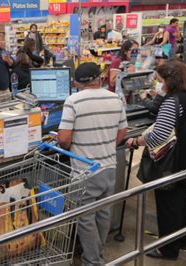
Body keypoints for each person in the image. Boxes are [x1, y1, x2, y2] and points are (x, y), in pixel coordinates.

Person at [126, 60, 186, 260]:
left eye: (159, 80)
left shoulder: (172, 101)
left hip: (174, 162)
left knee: (167, 204)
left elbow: (159, 135)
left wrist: (136, 140)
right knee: (180, 201)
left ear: (170, 80)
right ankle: (180, 240)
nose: (158, 85)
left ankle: (167, 249)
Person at [58, 62, 127, 265]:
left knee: (85, 218)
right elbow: (123, 131)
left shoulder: (73, 101)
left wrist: (73, 144)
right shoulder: (115, 99)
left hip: (85, 171)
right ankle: (99, 254)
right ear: (100, 78)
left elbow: (63, 139)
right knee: (103, 214)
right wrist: (105, 145)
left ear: (77, 83)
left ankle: (93, 260)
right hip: (109, 167)